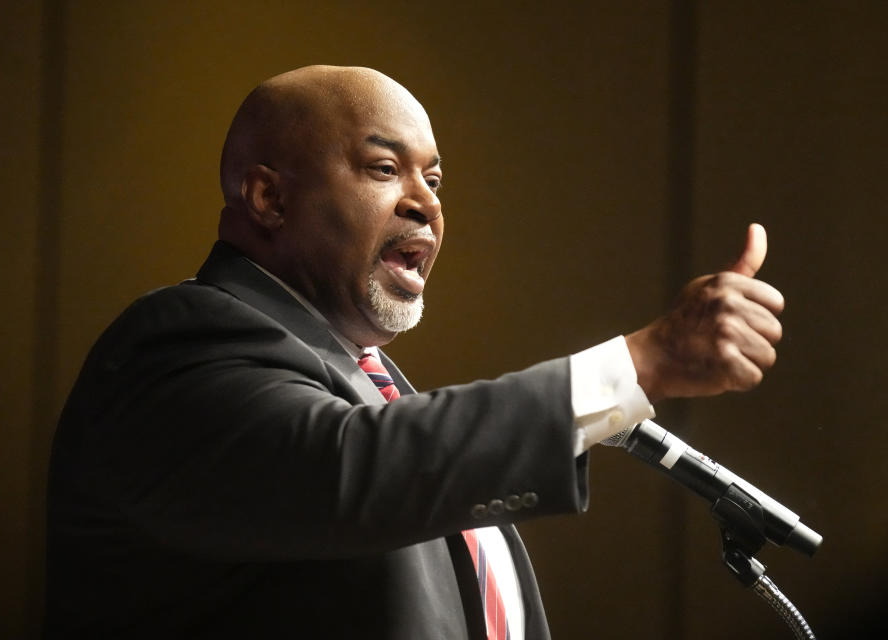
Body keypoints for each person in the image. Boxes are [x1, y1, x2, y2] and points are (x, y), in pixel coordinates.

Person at [45, 65, 784, 638]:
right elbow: (351, 469)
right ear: (268, 198)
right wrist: (639, 365)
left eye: (433, 179)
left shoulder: (378, 388)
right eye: (382, 169)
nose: (426, 202)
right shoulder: (174, 347)